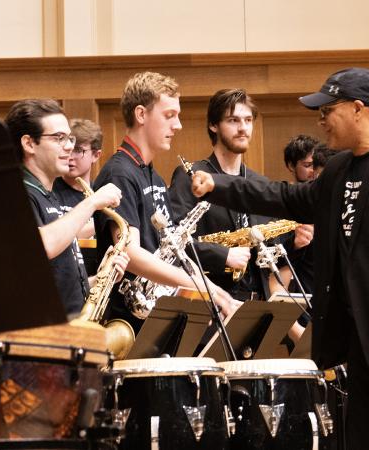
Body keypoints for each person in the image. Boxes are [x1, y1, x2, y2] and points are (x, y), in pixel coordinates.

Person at [191, 67, 369, 450]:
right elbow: (287, 198)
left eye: (327, 110)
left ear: (356, 108)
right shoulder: (338, 168)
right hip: (366, 346)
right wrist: (218, 185)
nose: (320, 120)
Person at [93, 71, 237, 332]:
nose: (178, 125)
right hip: (128, 321)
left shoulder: (155, 177)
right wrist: (200, 287)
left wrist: (213, 289)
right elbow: (129, 252)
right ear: (141, 115)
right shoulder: (119, 173)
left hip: (156, 318)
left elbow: (174, 249)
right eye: (169, 115)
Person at [4, 98, 128, 316]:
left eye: (69, 138)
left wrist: (101, 279)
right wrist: (92, 202)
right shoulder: (16, 193)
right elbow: (42, 245)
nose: (69, 146)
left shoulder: (48, 196)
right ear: (29, 143)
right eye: (58, 138)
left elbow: (58, 288)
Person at [168, 88, 276, 301]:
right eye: (233, 120)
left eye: (248, 120)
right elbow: (173, 241)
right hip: (211, 301)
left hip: (258, 302)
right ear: (213, 125)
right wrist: (223, 255)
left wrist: (296, 241)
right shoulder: (190, 175)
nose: (243, 128)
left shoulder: (260, 183)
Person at [53, 118, 103, 240]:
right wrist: (102, 223)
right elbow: (54, 238)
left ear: (96, 155)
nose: (69, 156)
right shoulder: (49, 192)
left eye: (78, 150)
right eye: (66, 148)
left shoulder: (101, 194)